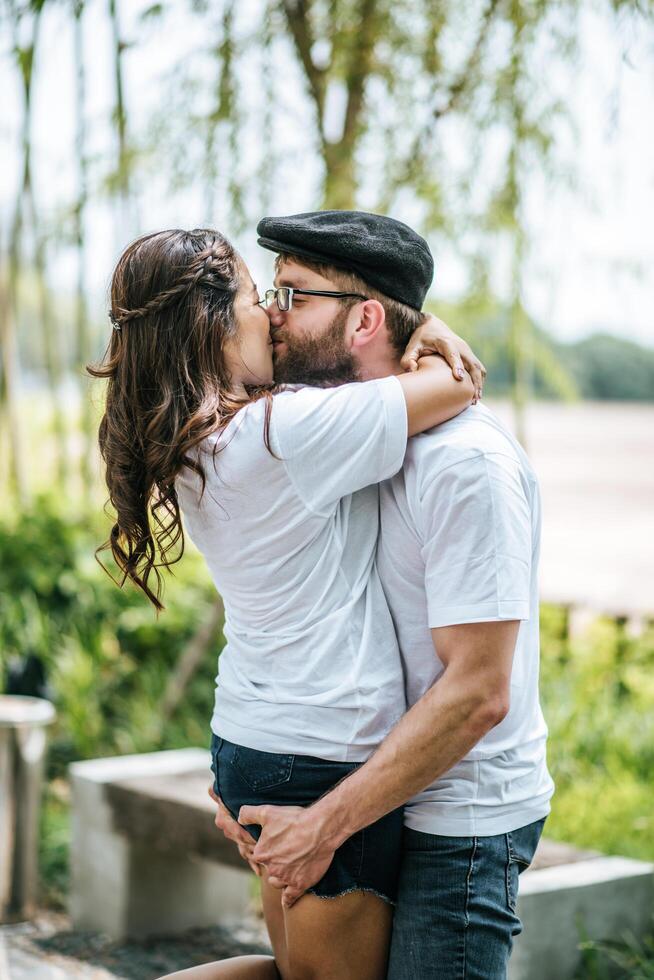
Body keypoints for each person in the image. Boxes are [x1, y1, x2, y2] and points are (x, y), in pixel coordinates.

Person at [90, 222, 483, 980]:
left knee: (297, 972)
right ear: (210, 324)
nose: (271, 313)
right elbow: (458, 383)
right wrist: (426, 323)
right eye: (253, 297)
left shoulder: (196, 444)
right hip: (322, 755)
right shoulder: (284, 433)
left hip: (256, 742)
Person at [211, 210, 555, 980]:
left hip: (455, 823)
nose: (271, 313)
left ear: (364, 317)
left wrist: (320, 824)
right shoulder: (346, 435)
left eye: (293, 296)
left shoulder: (466, 465)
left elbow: (477, 694)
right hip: (372, 795)